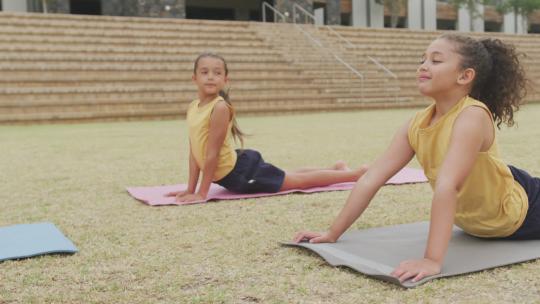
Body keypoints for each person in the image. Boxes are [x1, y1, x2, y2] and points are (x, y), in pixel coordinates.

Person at [293, 33, 538, 283]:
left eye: (435, 60)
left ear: (465, 76)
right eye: (422, 59)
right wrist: (333, 233)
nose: (423, 66)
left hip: (521, 207)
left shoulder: (471, 116)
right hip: (489, 198)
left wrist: (431, 260)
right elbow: (372, 178)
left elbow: (448, 185)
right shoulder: (416, 124)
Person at [166, 52, 367, 203]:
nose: (210, 77)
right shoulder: (193, 107)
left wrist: (202, 193)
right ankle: (334, 168)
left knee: (297, 181)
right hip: (235, 167)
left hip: (239, 174)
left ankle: (354, 175)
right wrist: (190, 189)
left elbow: (211, 155)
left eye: (217, 73)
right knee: (287, 175)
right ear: (194, 78)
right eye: (204, 72)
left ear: (225, 80)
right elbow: (194, 152)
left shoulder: (219, 107)